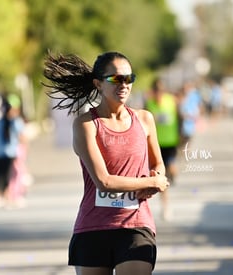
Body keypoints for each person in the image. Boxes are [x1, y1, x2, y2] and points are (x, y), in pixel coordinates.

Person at [43, 52, 170, 275]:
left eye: (129, 78)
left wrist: (154, 179)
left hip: (136, 225)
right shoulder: (86, 125)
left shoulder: (145, 119)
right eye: (115, 79)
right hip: (93, 228)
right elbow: (104, 182)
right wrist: (149, 182)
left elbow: (158, 164)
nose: (124, 84)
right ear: (98, 84)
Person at [145, 78, 180, 221]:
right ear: (153, 91)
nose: (159, 93)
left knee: (171, 168)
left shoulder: (171, 101)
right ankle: (166, 207)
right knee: (160, 176)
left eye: (161, 90)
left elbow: (179, 118)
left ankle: (173, 175)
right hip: (156, 144)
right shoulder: (149, 103)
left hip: (171, 142)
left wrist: (182, 136)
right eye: (156, 90)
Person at [0, 94, 25, 209]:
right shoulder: (16, 122)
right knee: (6, 176)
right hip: (9, 152)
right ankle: (4, 197)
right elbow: (22, 137)